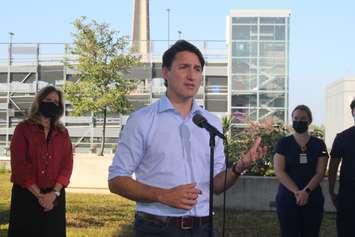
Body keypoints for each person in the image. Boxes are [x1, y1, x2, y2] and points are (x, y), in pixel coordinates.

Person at [108, 40, 267, 236]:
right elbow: (116, 180)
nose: (191, 75)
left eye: (197, 69)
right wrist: (163, 195)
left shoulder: (210, 123)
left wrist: (238, 168)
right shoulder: (142, 120)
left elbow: (216, 185)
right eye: (184, 67)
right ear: (165, 72)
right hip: (157, 228)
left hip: (203, 227)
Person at [8, 85, 73, 237]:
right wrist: (40, 195)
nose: (52, 104)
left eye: (56, 102)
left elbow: (67, 165)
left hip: (55, 197)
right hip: (26, 196)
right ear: (39, 102)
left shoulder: (63, 133)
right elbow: (19, 165)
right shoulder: (23, 129)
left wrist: (53, 194)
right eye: (48, 100)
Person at [273, 105, 328, 237]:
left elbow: (320, 172)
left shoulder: (319, 144)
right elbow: (279, 171)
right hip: (288, 198)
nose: (299, 121)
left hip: (312, 198)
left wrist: (306, 192)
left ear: (309, 121)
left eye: (303, 118)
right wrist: (298, 192)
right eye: (296, 118)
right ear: (292, 119)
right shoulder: (283, 143)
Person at [328, 98, 355, 237]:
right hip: (347, 198)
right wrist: (331, 192)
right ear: (352, 112)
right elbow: (332, 168)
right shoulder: (342, 137)